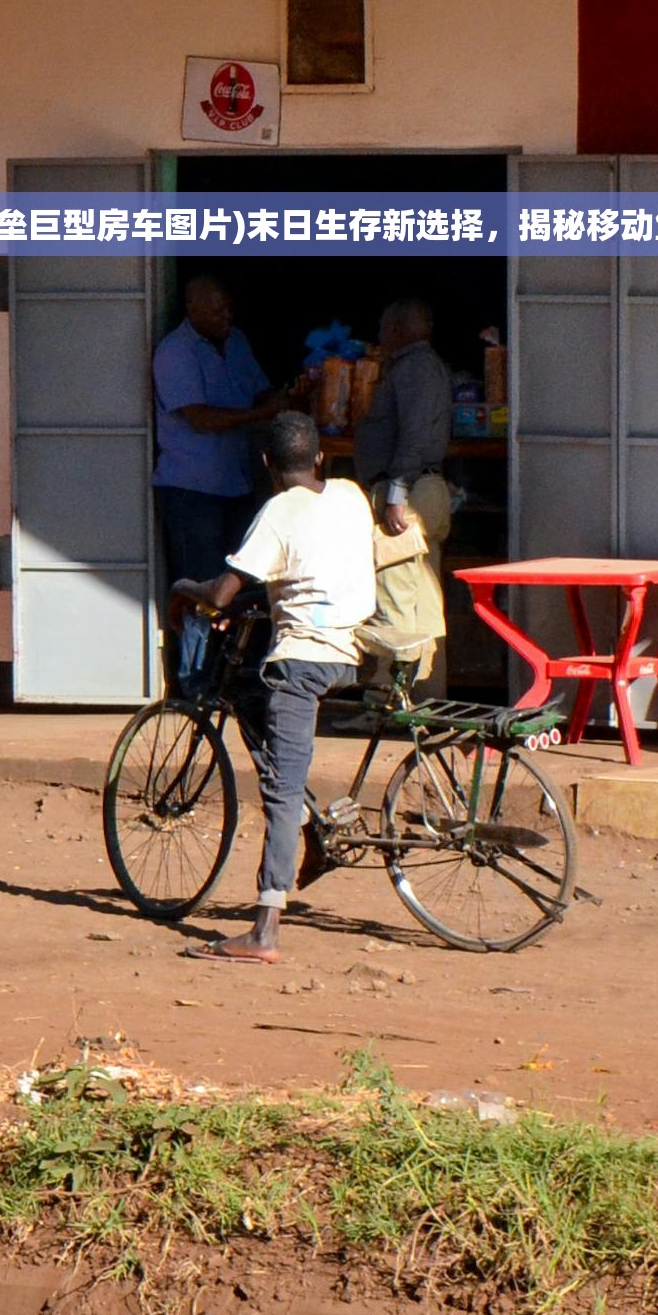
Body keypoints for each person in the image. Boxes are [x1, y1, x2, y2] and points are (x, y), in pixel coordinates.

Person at [167, 409, 375, 964]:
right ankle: (312, 834)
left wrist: (184, 588)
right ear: (320, 458)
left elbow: (221, 594)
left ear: (266, 464)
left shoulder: (277, 512)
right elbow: (320, 567)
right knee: (266, 727)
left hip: (302, 661)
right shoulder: (352, 495)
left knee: (280, 794)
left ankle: (264, 930)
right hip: (350, 654)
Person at [151, 277, 287, 694]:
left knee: (241, 589)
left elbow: (261, 389)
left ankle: (232, 679)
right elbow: (201, 419)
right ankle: (195, 684)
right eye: (218, 310)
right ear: (192, 308)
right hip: (192, 490)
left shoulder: (237, 341)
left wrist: (288, 396)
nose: (227, 316)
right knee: (199, 591)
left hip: (237, 485)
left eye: (230, 309)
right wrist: (261, 414)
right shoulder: (174, 352)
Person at [352, 296, 454, 678]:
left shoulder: (414, 369)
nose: (379, 335)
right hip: (421, 488)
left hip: (407, 493)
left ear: (395, 329)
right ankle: (423, 699)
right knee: (422, 601)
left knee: (395, 597)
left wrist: (395, 495)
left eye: (382, 327)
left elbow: (412, 437)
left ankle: (388, 702)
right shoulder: (425, 368)